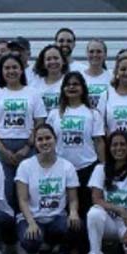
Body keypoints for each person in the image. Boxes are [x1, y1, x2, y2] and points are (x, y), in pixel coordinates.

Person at [0, 54, 46, 211]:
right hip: (0, 147)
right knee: (4, 189)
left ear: (21, 70)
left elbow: (39, 122)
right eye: (7, 68)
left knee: (29, 187)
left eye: (14, 67)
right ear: (1, 71)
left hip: (27, 146)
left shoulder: (33, 93)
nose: (11, 71)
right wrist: (2, 149)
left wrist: (27, 147)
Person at [15, 124, 81, 254]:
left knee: (74, 224)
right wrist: (31, 222)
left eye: (48, 138)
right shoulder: (25, 166)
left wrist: (74, 212)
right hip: (33, 217)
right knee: (31, 239)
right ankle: (31, 251)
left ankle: (64, 253)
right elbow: (23, 199)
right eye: (40, 139)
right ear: (35, 143)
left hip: (57, 217)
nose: (44, 142)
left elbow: (73, 198)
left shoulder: (67, 166)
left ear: (55, 139)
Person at [47, 72, 105, 225]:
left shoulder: (93, 113)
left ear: (83, 88)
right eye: (68, 84)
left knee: (86, 208)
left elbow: (99, 141)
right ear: (63, 89)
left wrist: (104, 165)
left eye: (76, 84)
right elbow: (47, 142)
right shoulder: (54, 114)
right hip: (61, 167)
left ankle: (84, 245)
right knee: (64, 208)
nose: (71, 87)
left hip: (87, 167)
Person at [31, 44, 69, 113]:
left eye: (56, 58)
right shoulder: (34, 84)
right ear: (43, 64)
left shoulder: (69, 83)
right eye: (48, 59)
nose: (52, 62)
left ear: (63, 61)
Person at [82, 39, 111, 110]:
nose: (95, 55)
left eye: (99, 51)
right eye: (91, 51)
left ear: (105, 55)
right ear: (86, 54)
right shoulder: (80, 77)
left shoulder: (112, 76)